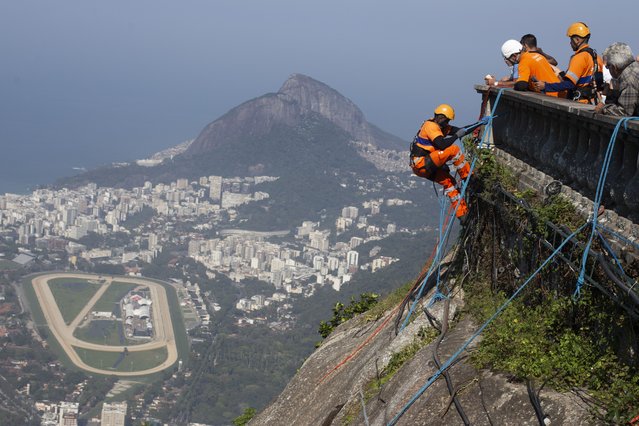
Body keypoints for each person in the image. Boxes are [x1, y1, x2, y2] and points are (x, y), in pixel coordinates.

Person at [410, 104, 486, 218]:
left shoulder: (441, 126)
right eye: (447, 120)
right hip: (422, 163)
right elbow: (442, 144)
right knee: (454, 150)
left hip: (422, 167)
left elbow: (462, 130)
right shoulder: (430, 126)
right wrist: (455, 136)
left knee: (449, 183)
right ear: (440, 117)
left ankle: (462, 214)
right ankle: (469, 178)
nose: (448, 123)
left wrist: (478, 124)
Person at [534, 22, 604, 103]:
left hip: (581, 102)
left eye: (571, 39)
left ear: (577, 40)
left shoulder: (579, 57)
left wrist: (545, 86)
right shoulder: (597, 57)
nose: (570, 43)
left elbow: (569, 84)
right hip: (593, 102)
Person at [493, 39, 565, 97]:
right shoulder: (536, 55)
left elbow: (521, 85)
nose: (508, 61)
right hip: (561, 93)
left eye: (508, 59)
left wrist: (496, 83)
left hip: (551, 95)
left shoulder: (523, 62)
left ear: (514, 56)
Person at [594, 42, 639, 116]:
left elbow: (624, 111)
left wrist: (603, 109)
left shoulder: (628, 77)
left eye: (608, 66)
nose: (607, 69)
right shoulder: (635, 67)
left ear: (614, 67)